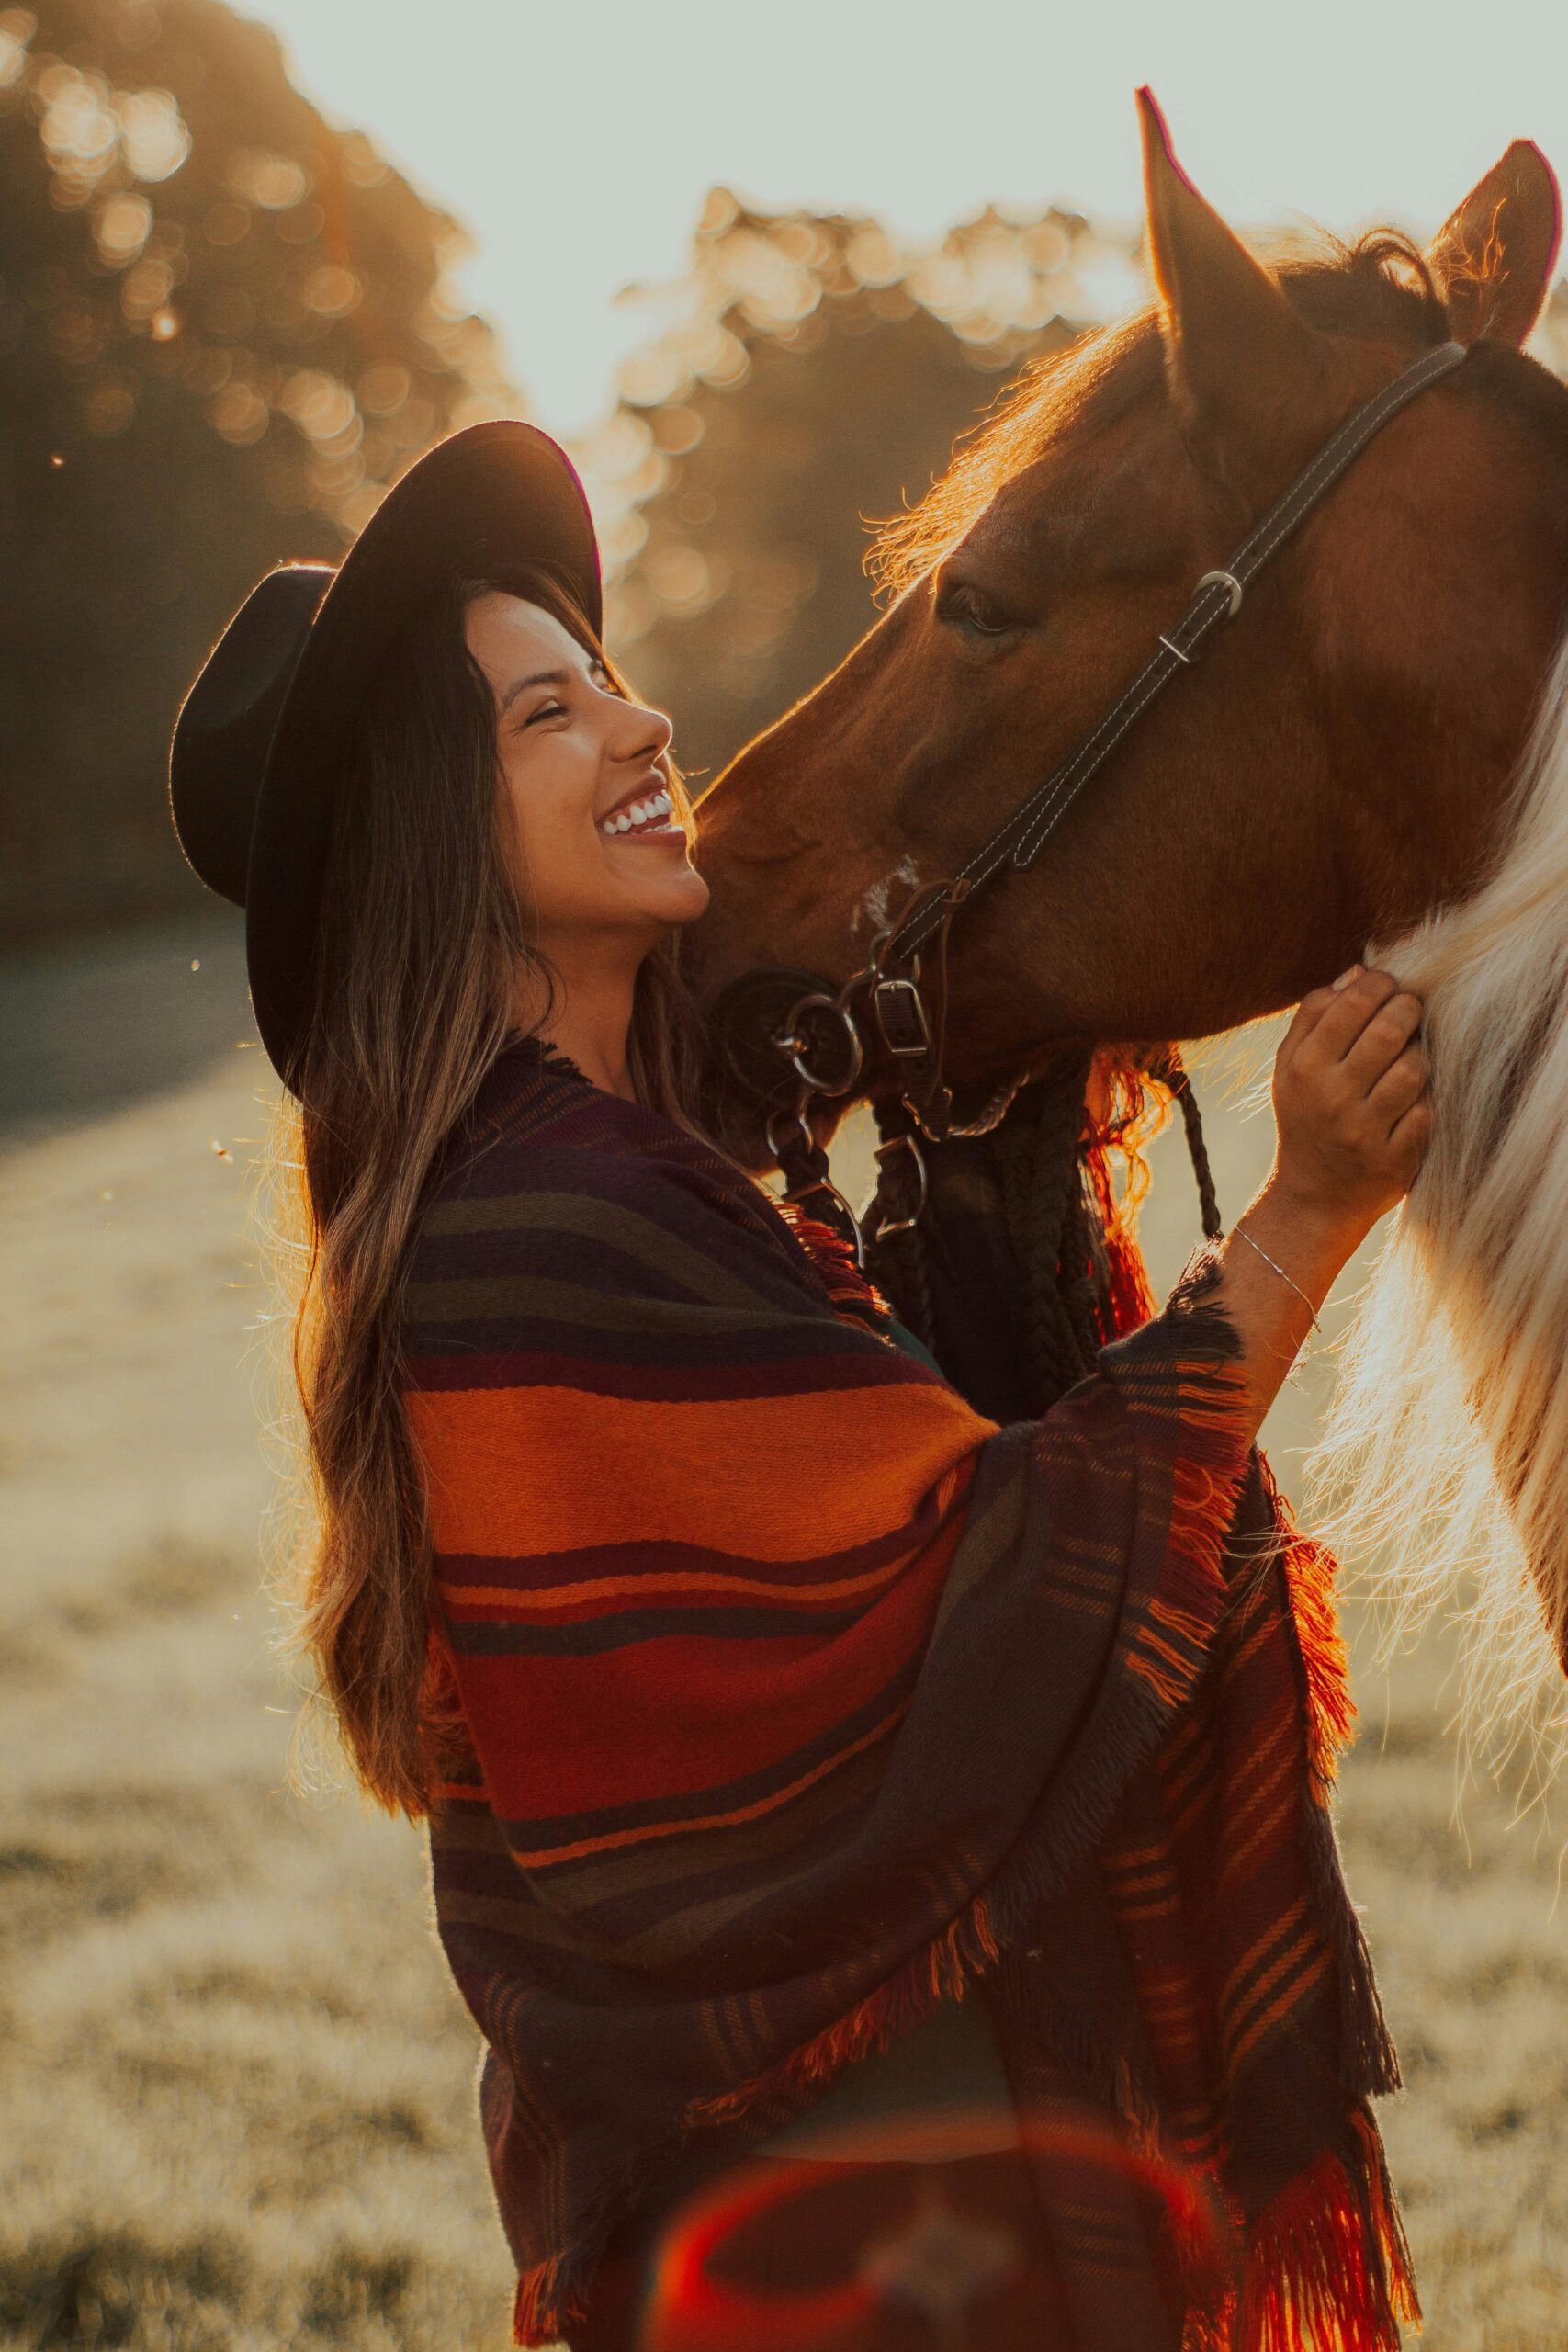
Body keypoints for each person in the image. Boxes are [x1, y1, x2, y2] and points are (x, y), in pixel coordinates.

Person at [169, 423, 1428, 2352]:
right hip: (844, 2210)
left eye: (604, 674)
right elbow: (979, 1583)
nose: (644, 722)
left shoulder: (641, 1170)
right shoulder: (548, 1230)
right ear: (439, 827)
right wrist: (1302, 1215)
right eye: (547, 712)